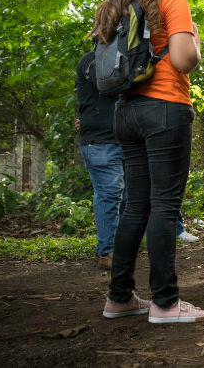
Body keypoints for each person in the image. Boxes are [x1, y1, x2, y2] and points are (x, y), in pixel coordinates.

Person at [101, 0, 204, 323]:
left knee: (136, 206)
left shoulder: (117, 3)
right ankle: (166, 304)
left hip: (126, 111)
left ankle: (119, 298)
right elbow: (184, 60)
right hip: (165, 107)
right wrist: (194, 33)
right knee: (165, 207)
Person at [76, 51, 126, 270]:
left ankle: (120, 247)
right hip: (101, 141)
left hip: (125, 137)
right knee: (109, 194)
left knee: (128, 196)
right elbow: (104, 86)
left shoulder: (127, 54)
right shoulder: (93, 60)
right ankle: (107, 251)